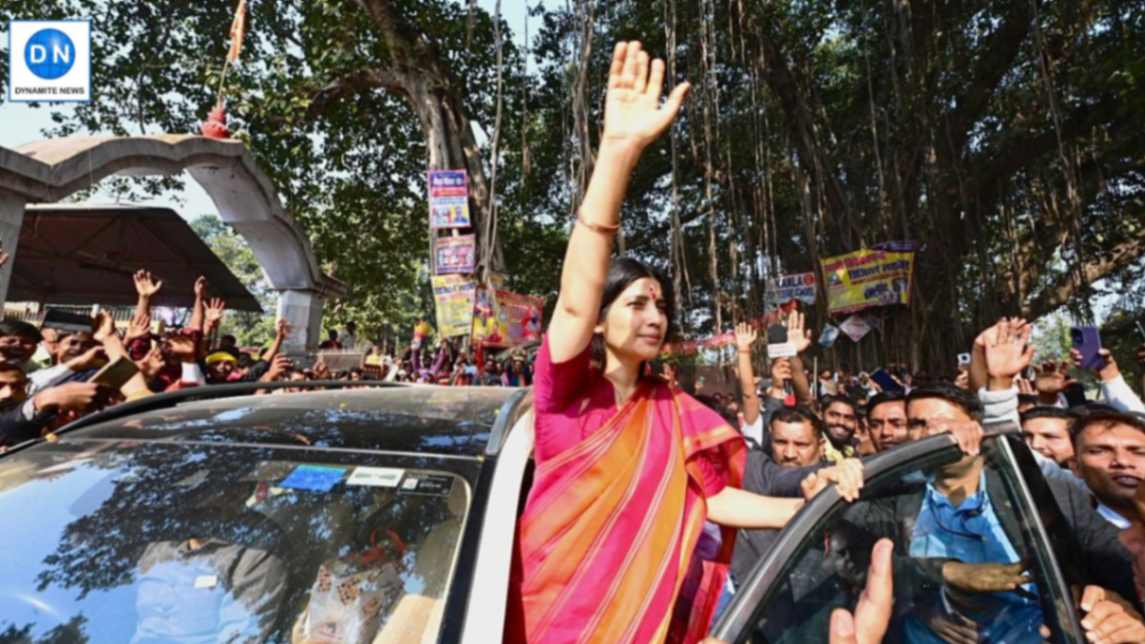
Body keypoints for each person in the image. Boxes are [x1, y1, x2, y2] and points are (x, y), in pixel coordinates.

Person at [507, 42, 823, 643]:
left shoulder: (674, 411)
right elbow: (575, 295)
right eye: (636, 303)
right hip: (549, 620)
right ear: (598, 322)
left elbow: (716, 499)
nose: (655, 316)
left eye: (662, 305)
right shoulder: (566, 393)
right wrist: (617, 154)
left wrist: (813, 506)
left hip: (639, 626)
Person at [1071, 409, 1145, 531]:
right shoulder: (1071, 538)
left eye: (1139, 452)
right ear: (1076, 466)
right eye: (1099, 451)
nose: (1123, 461)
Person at [821, 394, 860, 463]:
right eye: (834, 415)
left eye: (848, 418)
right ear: (821, 415)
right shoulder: (814, 449)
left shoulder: (853, 449)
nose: (841, 422)